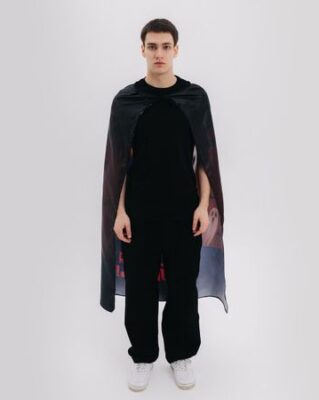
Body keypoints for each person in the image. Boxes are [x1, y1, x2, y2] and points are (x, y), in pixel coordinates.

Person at [100, 17, 227, 392]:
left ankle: (181, 355)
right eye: (152, 46)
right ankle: (142, 356)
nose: (159, 53)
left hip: (184, 211)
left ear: (176, 50)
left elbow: (206, 158)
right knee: (139, 286)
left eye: (165, 46)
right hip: (138, 212)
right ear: (142, 50)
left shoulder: (194, 98)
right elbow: (119, 164)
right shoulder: (126, 101)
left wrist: (203, 206)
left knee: (183, 286)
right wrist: (120, 212)